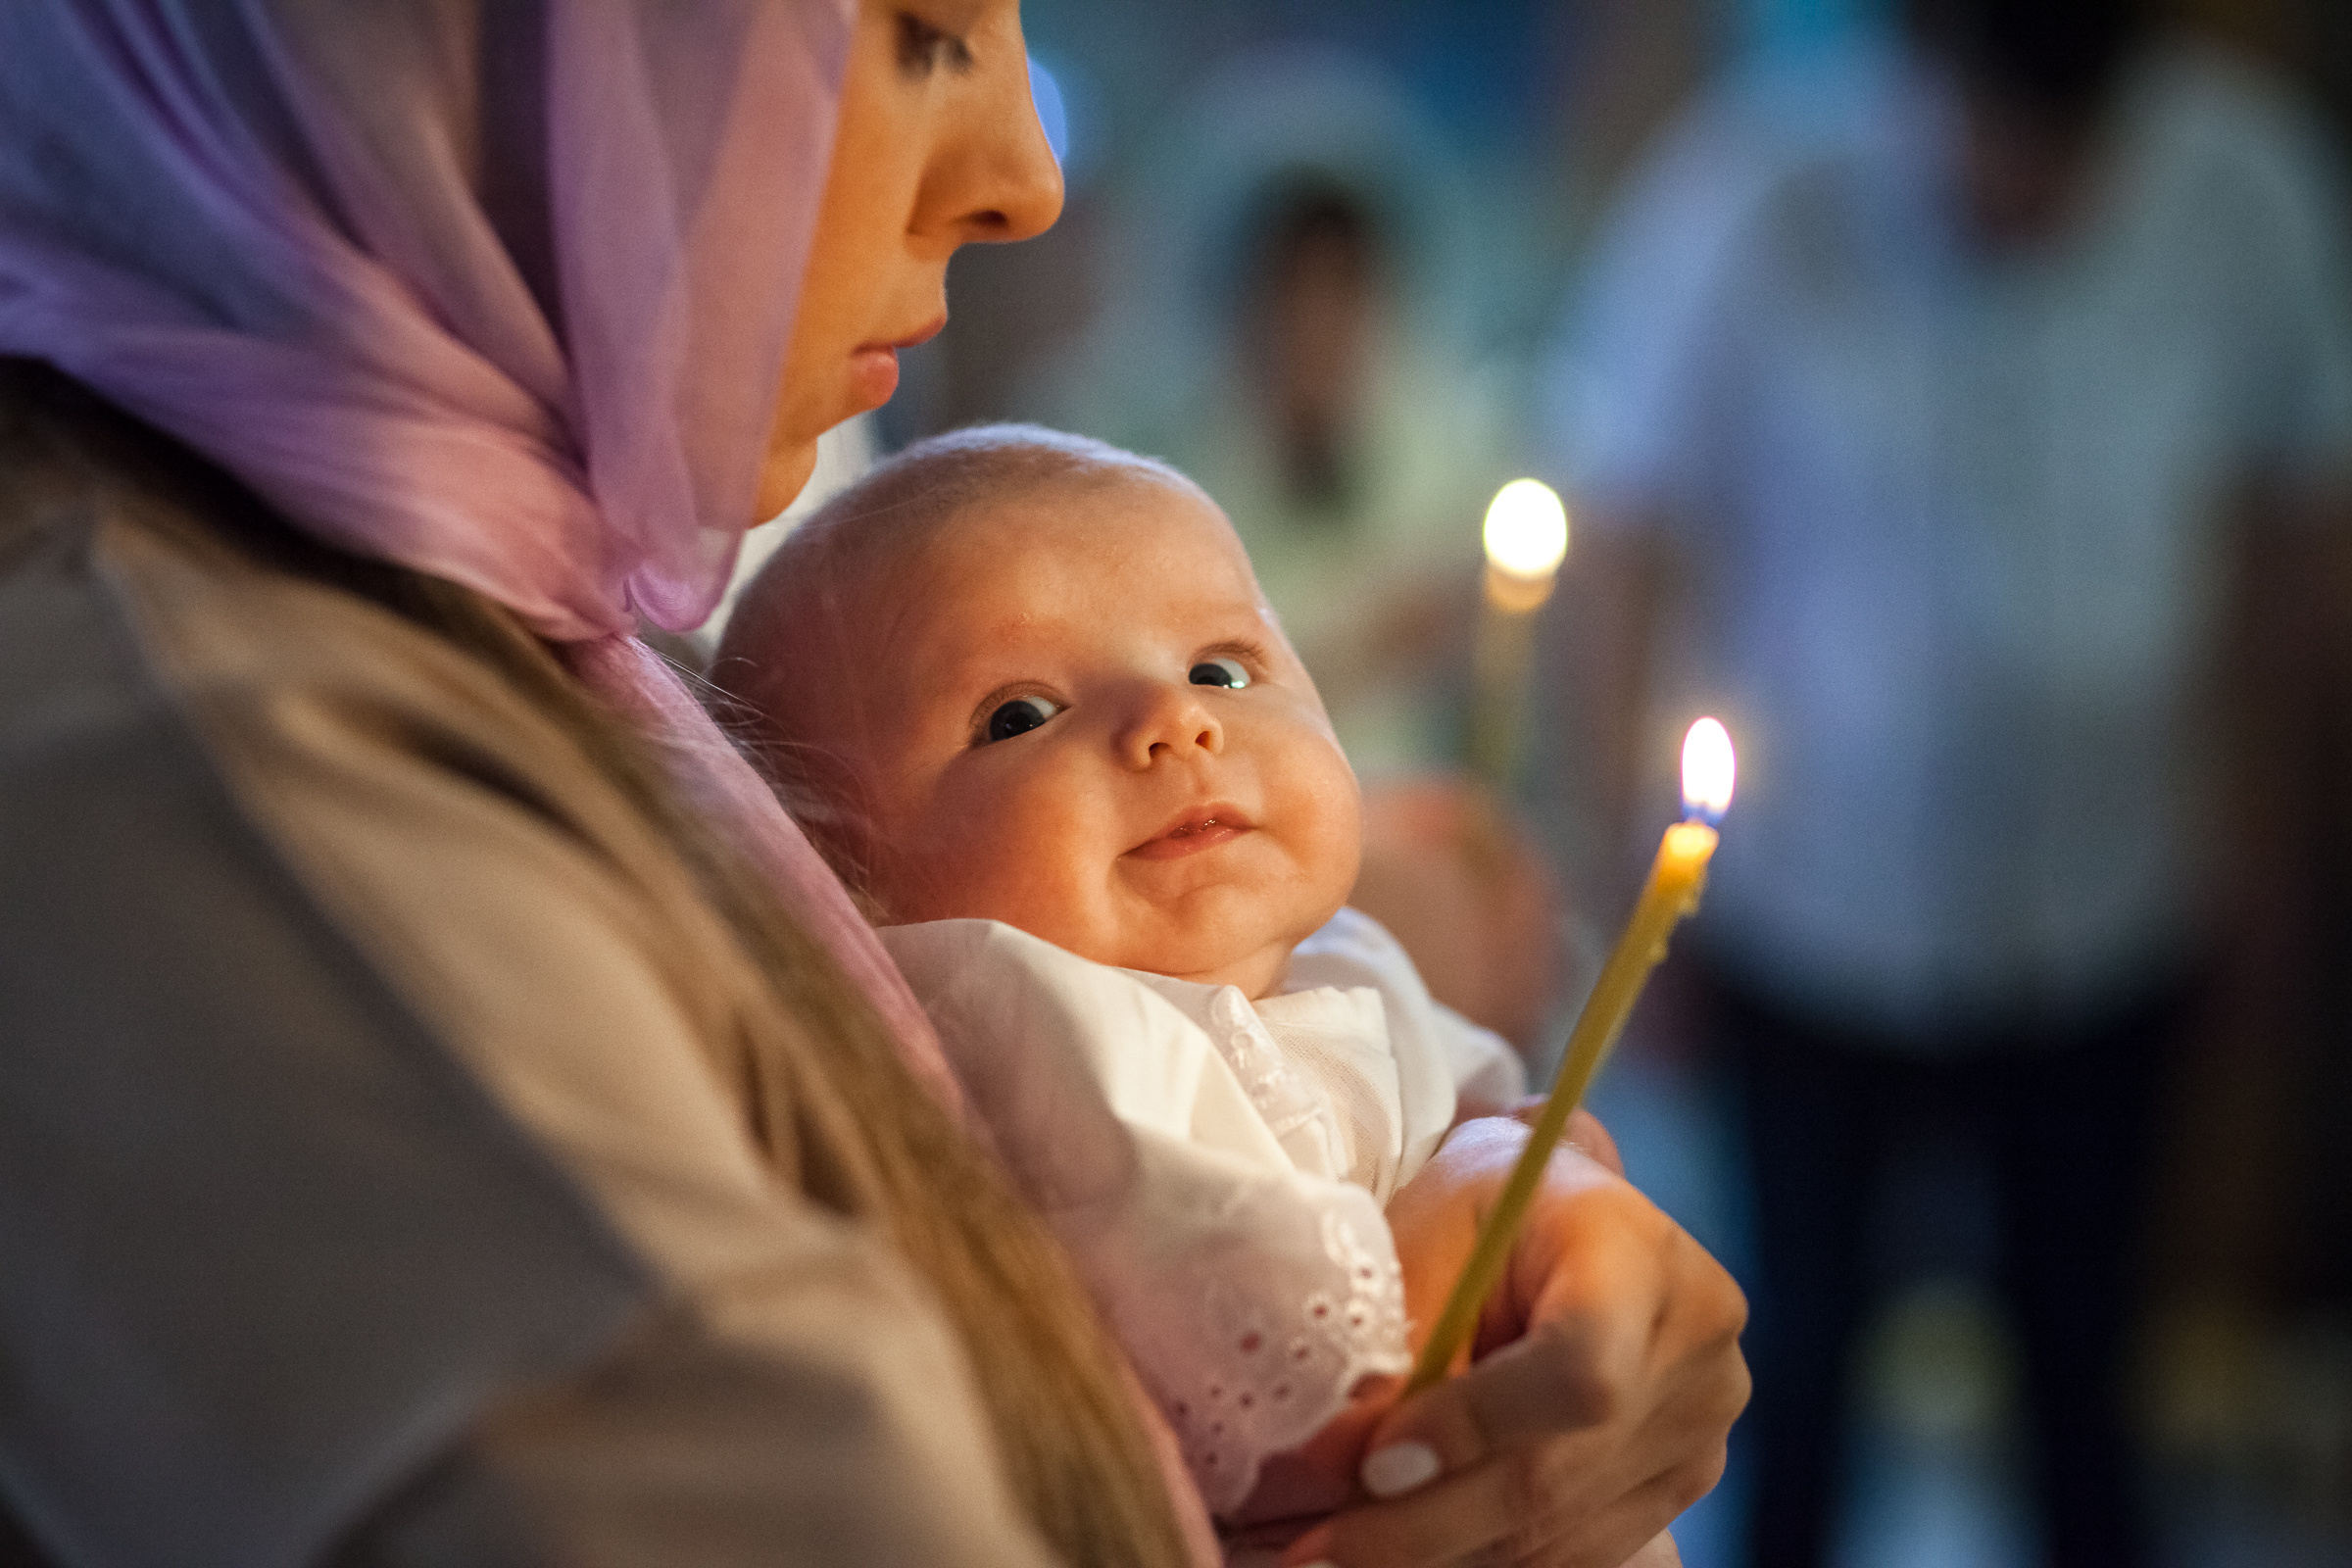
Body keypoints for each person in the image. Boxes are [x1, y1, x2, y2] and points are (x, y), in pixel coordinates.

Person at [0, 3, 1747, 1565]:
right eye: (915, 31)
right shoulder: (222, 791)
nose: (1021, 178)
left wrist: (1525, 1195)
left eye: (1227, 668)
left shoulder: (510, 589)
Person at [1543, 0, 2352, 1561]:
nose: (2033, 193)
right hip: (1810, 915)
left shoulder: (2245, 192)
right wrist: (1628, 865)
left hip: (2112, 906)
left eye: (2076, 150)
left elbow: (2295, 537)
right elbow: (1621, 524)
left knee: (2086, 1389)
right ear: (1922, 65)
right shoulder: (1752, 191)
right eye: (1997, 138)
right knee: (1787, 1390)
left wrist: (2273, 846)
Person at [714, 423, 1534, 1511]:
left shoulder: (1346, 956)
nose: (1176, 720)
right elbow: (1330, 1411)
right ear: (840, 879)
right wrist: (1515, 1252)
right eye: (1020, 714)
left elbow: (1525, 1124)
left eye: (1222, 667)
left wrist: (1528, 1170)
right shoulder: (1025, 1020)